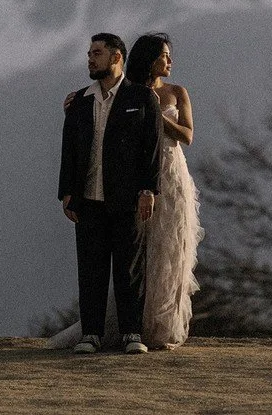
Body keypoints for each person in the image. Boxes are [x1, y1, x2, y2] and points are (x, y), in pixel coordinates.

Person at [55, 33, 160, 355]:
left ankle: (132, 333)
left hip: (126, 198)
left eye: (97, 53)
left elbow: (151, 151)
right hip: (88, 200)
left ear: (117, 58)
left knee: (130, 269)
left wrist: (148, 190)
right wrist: (67, 193)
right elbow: (69, 150)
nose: (90, 58)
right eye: (89, 53)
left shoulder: (142, 99)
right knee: (90, 270)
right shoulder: (79, 102)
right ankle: (91, 334)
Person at [125, 32, 202, 350]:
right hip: (140, 173)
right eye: (164, 56)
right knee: (139, 246)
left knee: (171, 246)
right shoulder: (129, 93)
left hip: (173, 173)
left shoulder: (176, 92)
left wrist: (157, 114)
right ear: (149, 60)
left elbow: (187, 134)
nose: (169, 61)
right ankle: (134, 324)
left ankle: (163, 323)